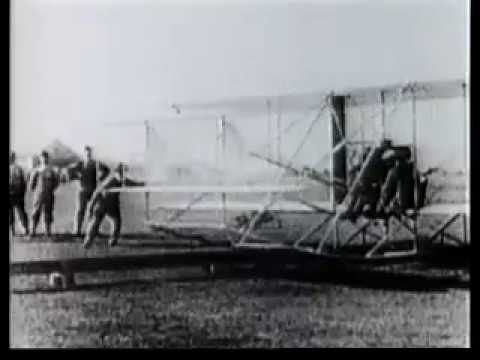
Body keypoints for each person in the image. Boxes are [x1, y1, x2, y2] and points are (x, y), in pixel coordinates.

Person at [83, 163, 144, 248]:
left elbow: (131, 183)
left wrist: (142, 184)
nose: (122, 175)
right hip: (102, 204)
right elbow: (97, 193)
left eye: (124, 173)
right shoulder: (110, 180)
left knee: (117, 222)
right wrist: (91, 206)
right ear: (116, 172)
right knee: (95, 222)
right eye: (121, 173)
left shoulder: (122, 180)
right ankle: (88, 240)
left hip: (113, 205)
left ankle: (113, 240)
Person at [64, 146, 110, 236]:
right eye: (86, 153)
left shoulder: (95, 163)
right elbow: (68, 170)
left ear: (91, 153)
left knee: (95, 210)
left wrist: (101, 177)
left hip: (93, 190)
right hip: (82, 190)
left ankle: (93, 230)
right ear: (84, 154)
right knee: (80, 210)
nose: (88, 154)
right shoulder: (80, 164)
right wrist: (75, 177)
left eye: (89, 153)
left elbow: (106, 170)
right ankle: (77, 230)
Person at [30, 150, 60, 237]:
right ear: (40, 159)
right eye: (42, 157)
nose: (44, 159)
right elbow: (32, 183)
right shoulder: (37, 170)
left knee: (48, 212)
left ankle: (47, 231)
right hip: (38, 194)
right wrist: (35, 189)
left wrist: (51, 188)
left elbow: (56, 181)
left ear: (48, 158)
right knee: (36, 212)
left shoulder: (52, 170)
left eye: (46, 157)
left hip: (49, 194)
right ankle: (33, 230)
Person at [9, 152, 29, 236]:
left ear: (14, 158)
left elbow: (24, 181)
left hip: (18, 194)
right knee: (10, 213)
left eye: (11, 157)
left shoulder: (18, 168)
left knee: (21, 211)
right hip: (10, 194)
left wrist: (23, 192)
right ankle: (12, 230)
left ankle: (25, 228)